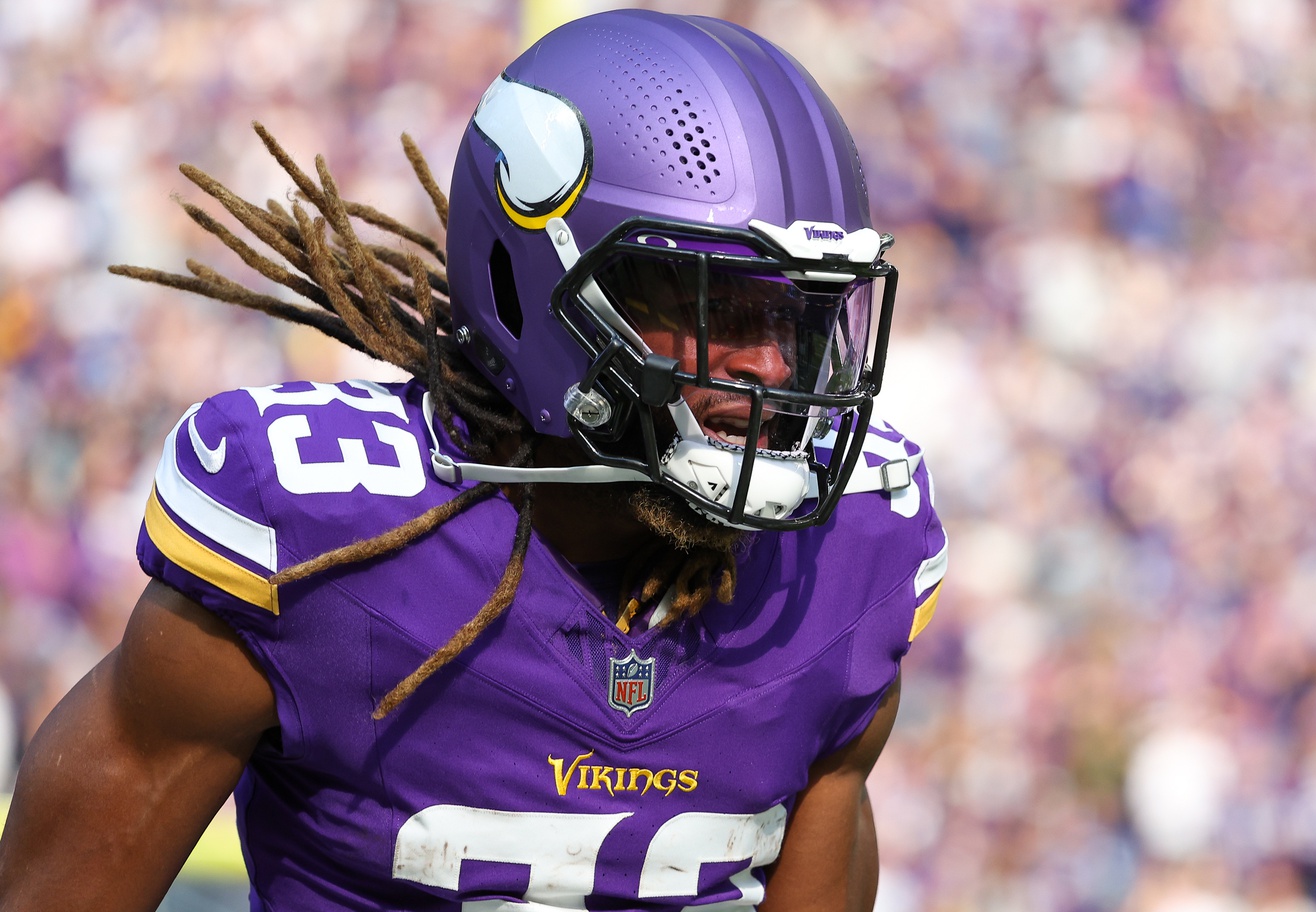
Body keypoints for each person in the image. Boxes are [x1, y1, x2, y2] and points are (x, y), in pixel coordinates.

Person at [0, 10, 946, 912]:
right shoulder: (320, 533)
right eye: (716, 306)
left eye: (795, 314)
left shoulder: (851, 552)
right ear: (534, 284)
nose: (772, 365)